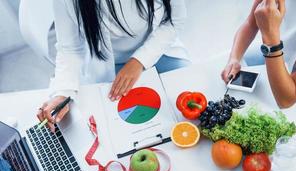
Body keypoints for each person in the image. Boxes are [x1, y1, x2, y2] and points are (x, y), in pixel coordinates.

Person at [37, 0, 189, 132]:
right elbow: (69, 48)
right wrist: (62, 93)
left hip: (157, 49)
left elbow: (175, 20)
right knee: (110, 130)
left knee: (186, 106)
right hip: (106, 65)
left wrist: (139, 60)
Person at [221, 0, 296, 108]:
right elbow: (251, 23)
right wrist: (234, 59)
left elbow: (286, 100)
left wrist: (270, 37)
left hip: (286, 67)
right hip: (278, 47)